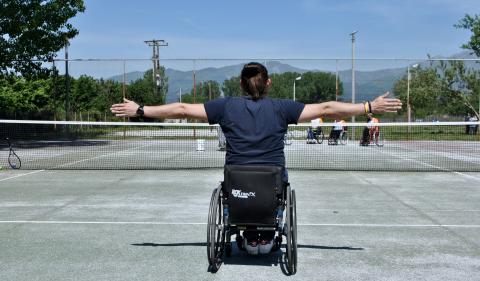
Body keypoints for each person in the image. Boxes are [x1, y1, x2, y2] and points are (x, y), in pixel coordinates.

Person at [110, 62, 402, 255]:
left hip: (236, 184)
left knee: (234, 186)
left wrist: (141, 110)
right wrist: (368, 105)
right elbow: (327, 106)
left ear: (240, 83)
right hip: (272, 185)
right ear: (269, 83)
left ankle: (248, 232)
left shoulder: (225, 107)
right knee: (277, 184)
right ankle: (265, 233)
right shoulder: (283, 108)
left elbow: (183, 109)